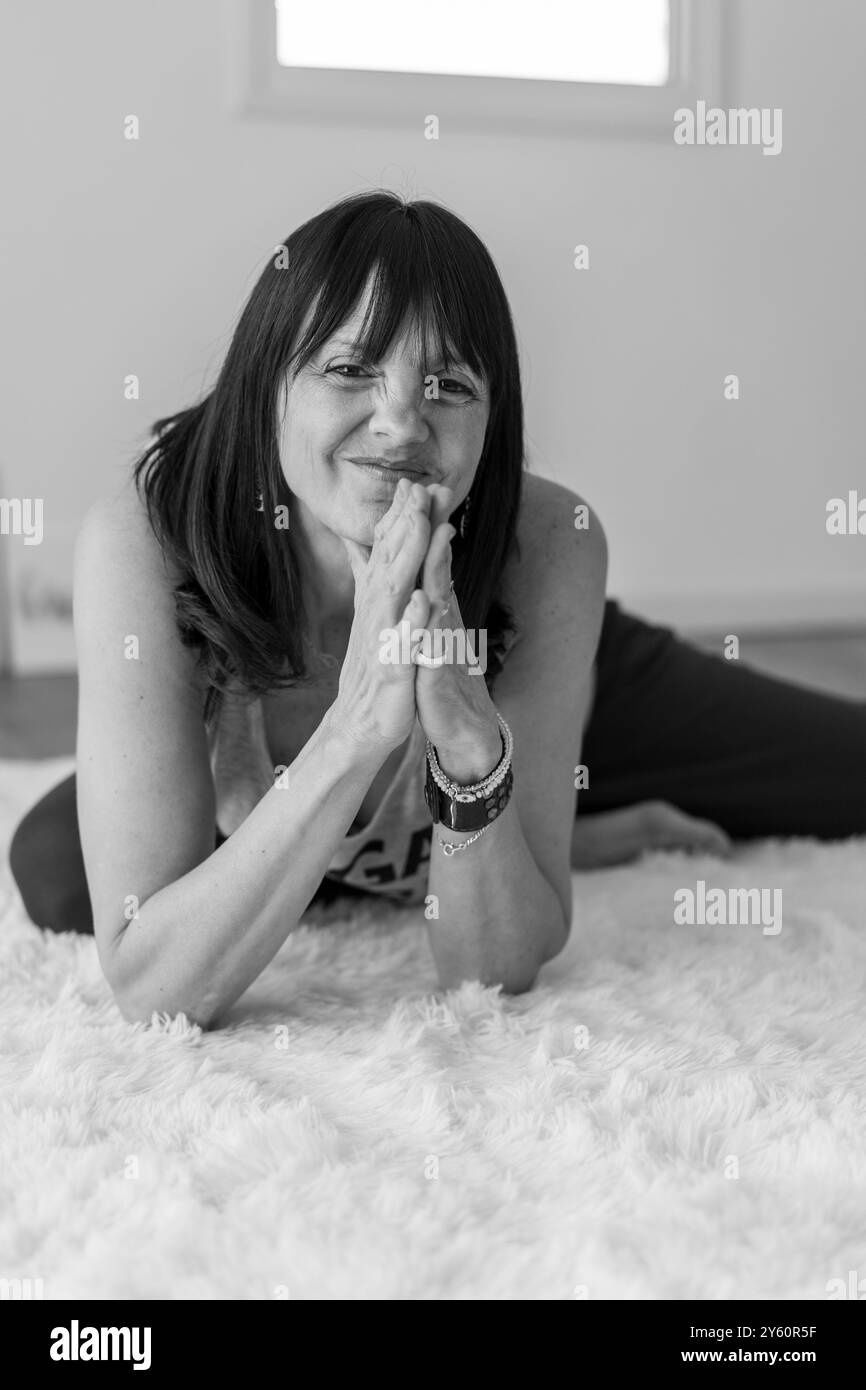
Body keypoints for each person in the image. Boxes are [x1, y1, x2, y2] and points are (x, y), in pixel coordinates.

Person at [8, 192, 865, 1029]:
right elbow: (151, 987)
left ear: (496, 416)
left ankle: (548, 815)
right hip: (299, 753)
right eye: (350, 369)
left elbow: (490, 970)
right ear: (265, 383)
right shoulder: (149, 539)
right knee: (60, 869)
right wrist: (353, 731)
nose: (401, 423)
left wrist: (470, 750)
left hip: (541, 698)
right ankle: (492, 835)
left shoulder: (549, 545)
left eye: (449, 383)